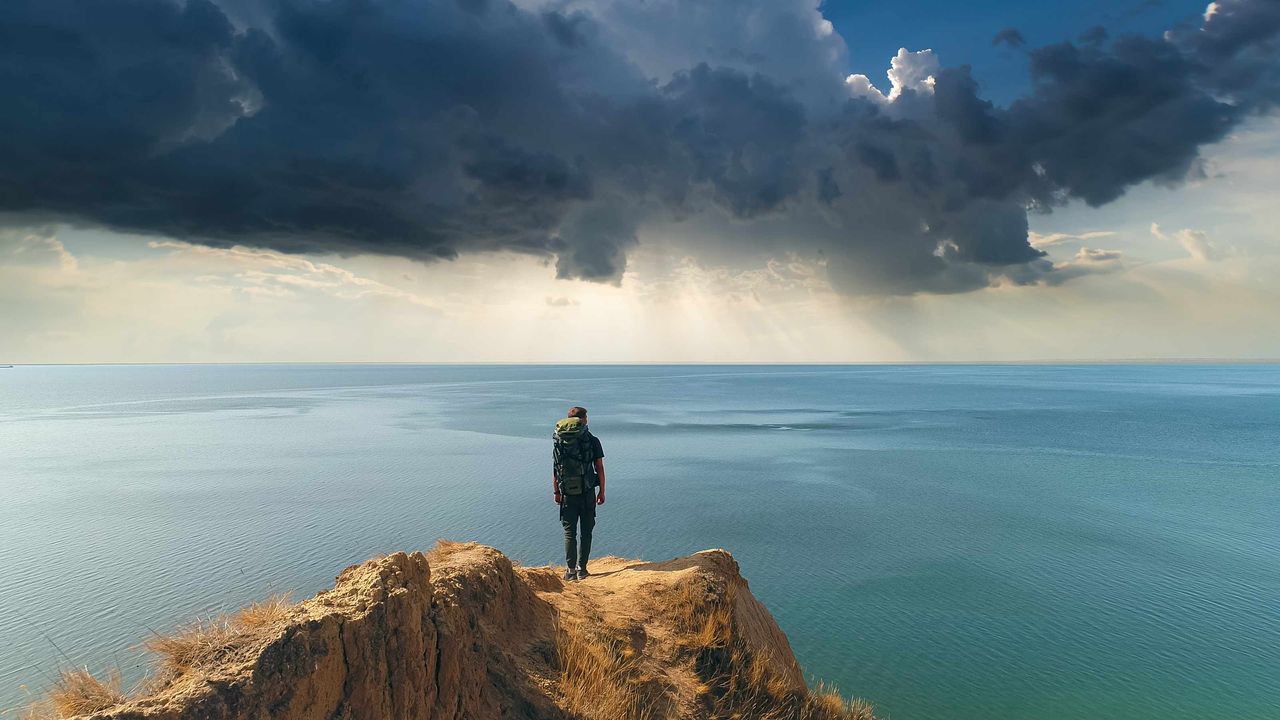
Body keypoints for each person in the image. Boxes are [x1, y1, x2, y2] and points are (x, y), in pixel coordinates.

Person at [552, 406, 605, 581]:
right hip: (588, 492)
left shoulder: (559, 439)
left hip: (567, 493)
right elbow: (599, 468)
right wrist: (602, 491)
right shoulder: (592, 440)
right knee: (586, 532)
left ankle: (570, 571)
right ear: (584, 419)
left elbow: (555, 468)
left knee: (569, 533)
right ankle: (582, 569)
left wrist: (556, 492)